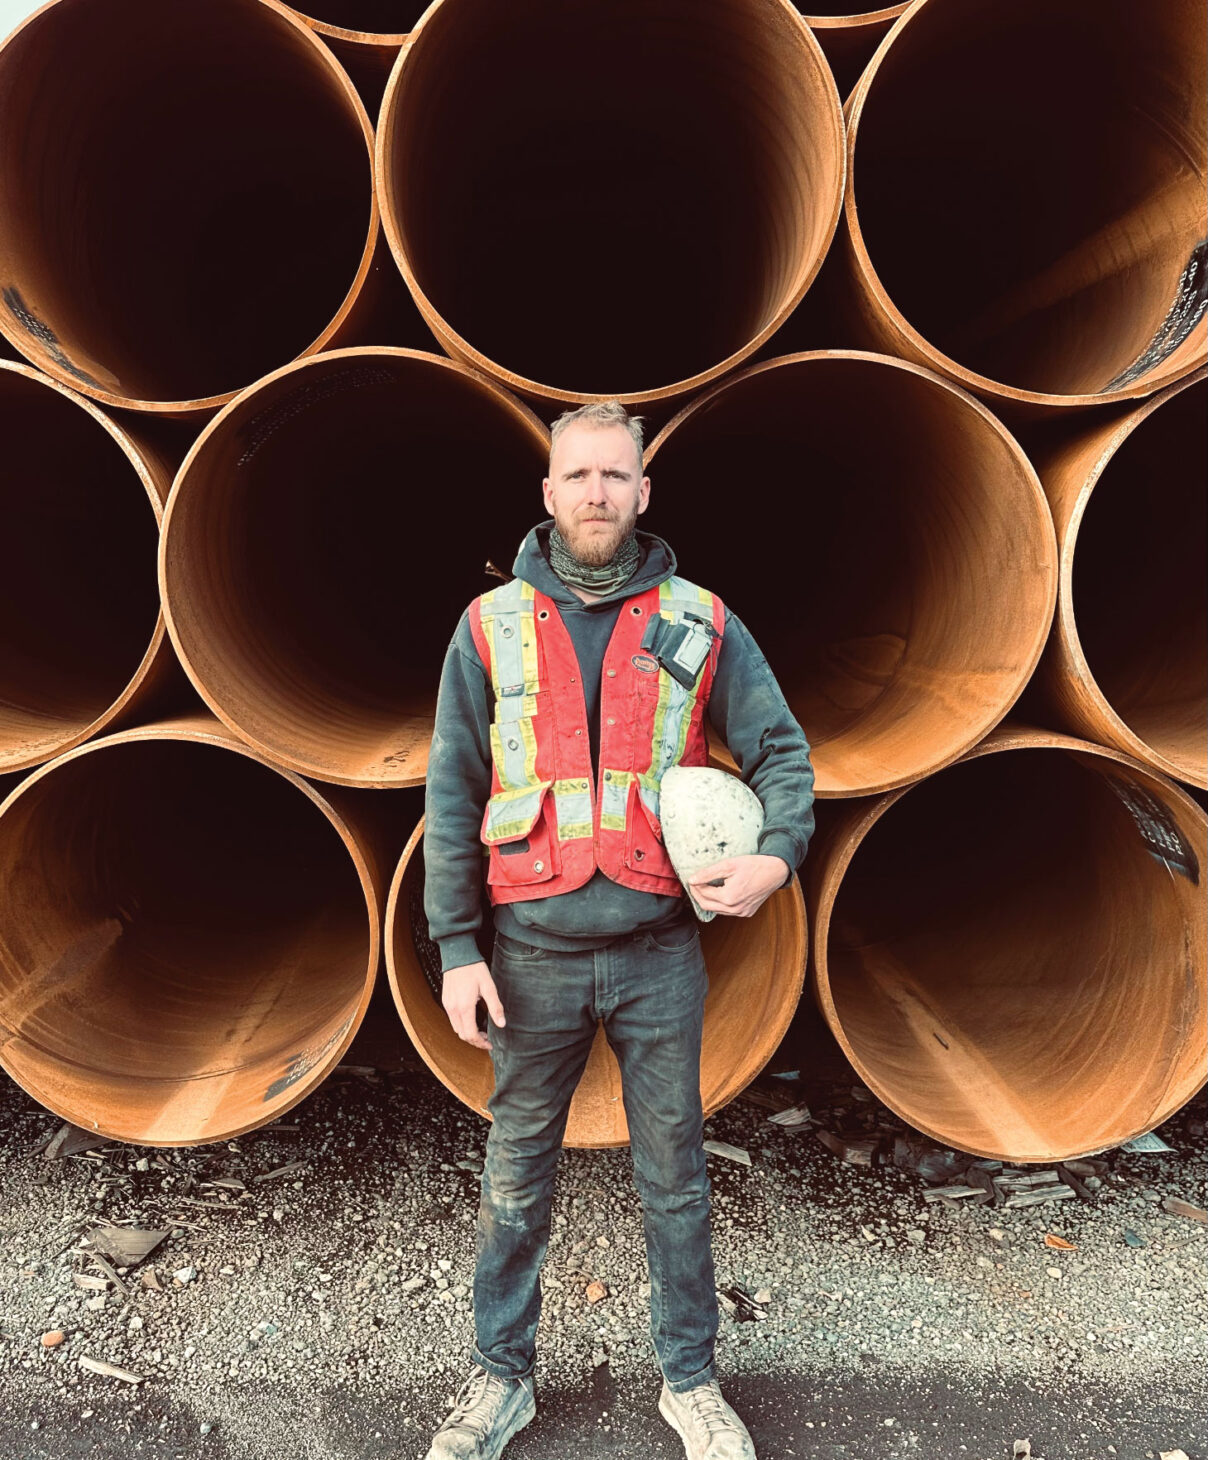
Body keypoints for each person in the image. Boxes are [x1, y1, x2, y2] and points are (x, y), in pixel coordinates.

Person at [421, 400, 814, 1460]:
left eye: (614, 476)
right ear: (546, 495)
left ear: (644, 492)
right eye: (577, 475)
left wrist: (775, 856)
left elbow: (780, 750)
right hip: (532, 953)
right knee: (514, 1174)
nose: (595, 492)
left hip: (655, 955)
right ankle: (500, 1380)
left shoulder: (699, 617)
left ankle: (688, 1381)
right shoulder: (488, 625)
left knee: (674, 1173)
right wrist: (457, 949)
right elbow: (452, 792)